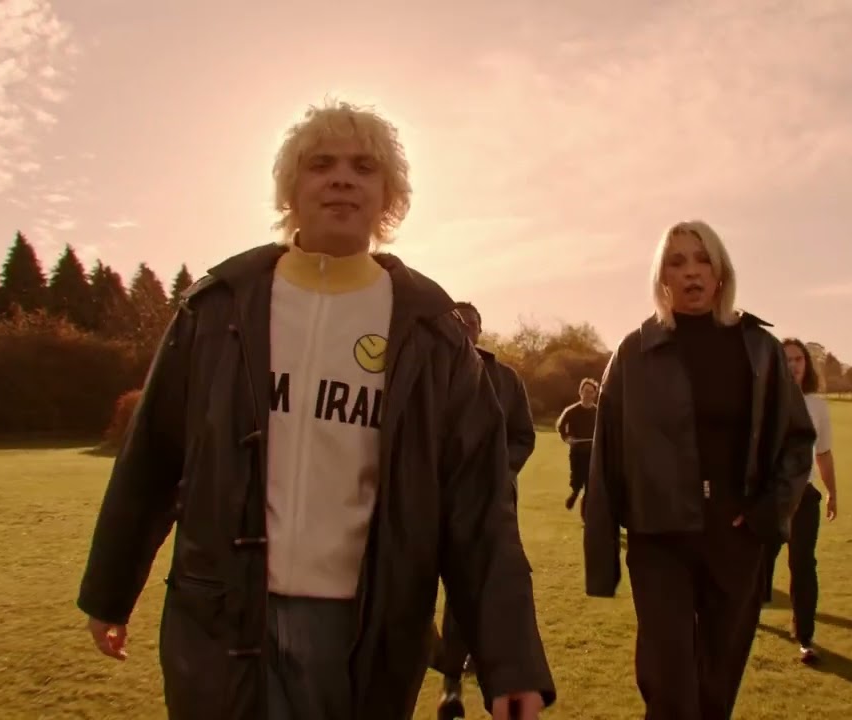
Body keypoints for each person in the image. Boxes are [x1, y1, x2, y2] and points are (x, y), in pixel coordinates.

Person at [76, 99, 554, 720]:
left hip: (366, 629)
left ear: (389, 195)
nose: (341, 179)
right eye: (321, 164)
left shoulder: (431, 333)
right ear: (290, 188)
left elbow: (479, 506)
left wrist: (510, 660)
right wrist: (110, 591)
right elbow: (150, 459)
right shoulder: (217, 308)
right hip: (223, 615)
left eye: (363, 167)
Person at [583, 220, 816, 720]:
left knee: (716, 691)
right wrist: (602, 557)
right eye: (677, 261)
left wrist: (765, 514)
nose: (691, 271)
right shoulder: (634, 353)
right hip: (658, 539)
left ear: (720, 272)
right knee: (669, 690)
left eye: (702, 259)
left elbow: (797, 441)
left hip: (736, 538)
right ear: (662, 278)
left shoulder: (760, 349)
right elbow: (605, 457)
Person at [433, 300, 536, 720]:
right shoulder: (427, 371)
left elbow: (523, 435)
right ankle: (444, 675)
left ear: (480, 329)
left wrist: (499, 474)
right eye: (456, 323)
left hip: (488, 506)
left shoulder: (506, 378)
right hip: (432, 501)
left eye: (471, 323)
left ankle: (455, 685)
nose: (465, 330)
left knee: (481, 591)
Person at [759, 338, 837, 665]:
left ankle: (805, 637)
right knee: (762, 559)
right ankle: (747, 611)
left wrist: (832, 492)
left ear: (806, 365)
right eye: (786, 359)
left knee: (803, 565)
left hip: (804, 496)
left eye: (798, 360)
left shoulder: (816, 406)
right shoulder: (763, 399)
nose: (792, 365)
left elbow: (824, 453)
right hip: (770, 495)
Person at [556, 379, 599, 517]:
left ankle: (585, 516)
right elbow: (561, 426)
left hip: (593, 454)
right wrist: (567, 437)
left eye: (591, 392)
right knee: (577, 480)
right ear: (580, 392)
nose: (587, 395)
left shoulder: (598, 412)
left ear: (595, 394)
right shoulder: (571, 411)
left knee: (590, 484)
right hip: (577, 453)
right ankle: (574, 493)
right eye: (585, 391)